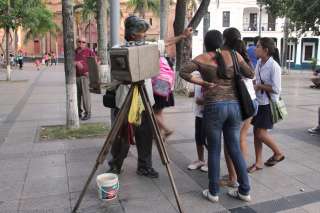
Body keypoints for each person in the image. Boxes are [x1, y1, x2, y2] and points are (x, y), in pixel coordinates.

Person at [108, 15, 192, 178]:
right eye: (142, 32)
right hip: (125, 99)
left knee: (145, 134)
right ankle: (115, 165)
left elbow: (165, 43)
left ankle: (144, 166)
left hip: (145, 99)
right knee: (122, 135)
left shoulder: (148, 47)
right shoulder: (118, 49)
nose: (145, 35)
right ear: (132, 34)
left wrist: (182, 36)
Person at [180, 29, 254, 203]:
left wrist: (203, 82)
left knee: (214, 150)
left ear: (206, 43)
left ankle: (213, 192)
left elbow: (183, 72)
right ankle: (244, 191)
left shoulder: (202, 58)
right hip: (235, 107)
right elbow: (251, 74)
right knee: (234, 147)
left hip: (213, 107)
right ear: (221, 42)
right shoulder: (235, 56)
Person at [221, 29, 258, 187]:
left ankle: (233, 178)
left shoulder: (227, 55)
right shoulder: (244, 56)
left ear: (224, 39)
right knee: (241, 138)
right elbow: (252, 75)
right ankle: (239, 174)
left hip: (238, 102)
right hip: (251, 102)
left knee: (229, 142)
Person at [248, 37, 285, 173]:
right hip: (259, 102)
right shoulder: (259, 62)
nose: (255, 48)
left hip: (268, 104)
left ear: (266, 50)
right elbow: (256, 79)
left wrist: (259, 86)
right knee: (256, 133)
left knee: (260, 133)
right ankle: (258, 162)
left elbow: (276, 88)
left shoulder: (274, 66)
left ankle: (278, 152)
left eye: (258, 46)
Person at [187, 71, 208, 172]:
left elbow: (217, 93)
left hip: (208, 113)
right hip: (199, 113)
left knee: (207, 140)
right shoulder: (197, 75)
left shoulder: (211, 74)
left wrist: (204, 101)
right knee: (198, 137)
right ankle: (201, 160)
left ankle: (210, 162)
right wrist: (192, 93)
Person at [75, 36, 96, 120]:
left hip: (85, 77)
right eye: (79, 41)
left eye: (83, 42)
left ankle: (88, 113)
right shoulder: (73, 52)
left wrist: (90, 72)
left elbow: (96, 62)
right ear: (77, 42)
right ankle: (78, 113)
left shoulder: (88, 51)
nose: (81, 43)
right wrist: (76, 63)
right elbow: (69, 62)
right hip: (75, 78)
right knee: (77, 97)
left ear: (86, 43)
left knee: (85, 96)